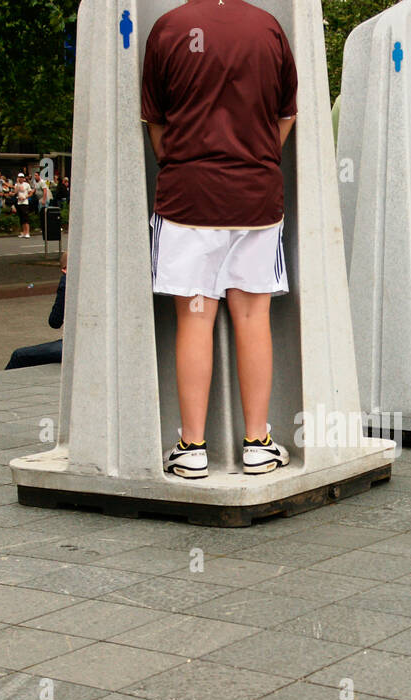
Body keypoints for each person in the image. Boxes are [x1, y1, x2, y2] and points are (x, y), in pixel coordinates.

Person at [142, 0, 296, 478]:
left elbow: (157, 127)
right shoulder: (268, 28)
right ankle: (257, 443)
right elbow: (285, 116)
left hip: (187, 198)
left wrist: (182, 162)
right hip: (255, 196)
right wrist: (256, 158)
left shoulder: (168, 28)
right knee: (252, 316)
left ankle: (191, 448)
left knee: (194, 319)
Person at [6, 252, 67, 369]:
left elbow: (55, 321)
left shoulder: (68, 283)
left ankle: (0, 386)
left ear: (64, 269)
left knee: (19, 355)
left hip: (78, 345)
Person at [13, 173, 33, 237]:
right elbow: (15, 192)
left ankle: (27, 232)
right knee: (21, 218)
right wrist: (17, 184)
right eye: (19, 177)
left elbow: (30, 193)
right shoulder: (16, 184)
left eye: (22, 177)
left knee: (26, 217)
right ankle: (24, 232)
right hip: (19, 202)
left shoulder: (26, 184)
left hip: (25, 202)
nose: (20, 178)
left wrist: (25, 197)